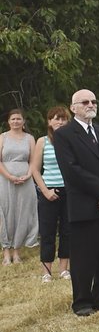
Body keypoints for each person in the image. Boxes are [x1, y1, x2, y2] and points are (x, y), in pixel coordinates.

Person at [52, 88, 99, 315]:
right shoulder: (64, 135)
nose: (90, 104)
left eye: (93, 101)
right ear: (73, 108)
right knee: (83, 256)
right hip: (83, 203)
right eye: (84, 102)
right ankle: (82, 302)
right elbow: (72, 171)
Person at [29, 105, 72, 282]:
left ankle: (64, 269)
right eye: (56, 118)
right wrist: (45, 191)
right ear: (49, 121)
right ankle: (47, 271)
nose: (60, 122)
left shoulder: (72, 140)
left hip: (69, 191)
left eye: (63, 119)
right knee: (47, 231)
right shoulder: (42, 141)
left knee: (67, 231)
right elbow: (35, 169)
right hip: (49, 191)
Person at [0, 108, 39, 263]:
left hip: (25, 179)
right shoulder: (2, 137)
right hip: (5, 179)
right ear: (8, 121)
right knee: (5, 213)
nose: (15, 121)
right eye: (13, 119)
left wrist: (28, 175)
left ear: (23, 121)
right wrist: (9, 176)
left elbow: (34, 160)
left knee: (22, 213)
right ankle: (6, 251)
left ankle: (17, 250)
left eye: (18, 119)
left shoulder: (29, 138)